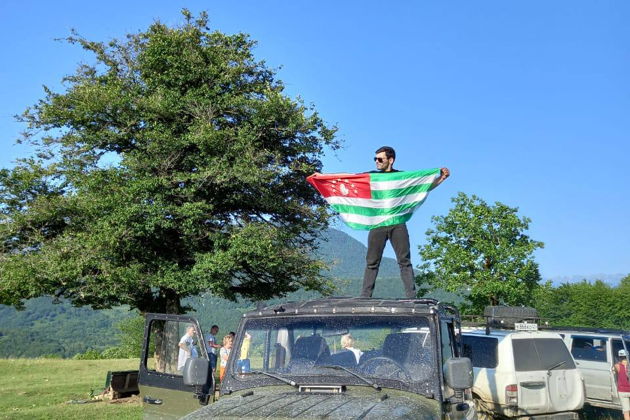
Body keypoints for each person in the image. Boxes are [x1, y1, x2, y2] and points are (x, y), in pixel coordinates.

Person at [360, 146, 449, 299]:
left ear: (391, 160)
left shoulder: (402, 177)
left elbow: (422, 187)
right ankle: (364, 297)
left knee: (404, 261)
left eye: (380, 159)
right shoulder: (371, 177)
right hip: (378, 224)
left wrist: (440, 178)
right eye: (375, 159)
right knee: (372, 262)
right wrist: (321, 177)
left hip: (398, 223)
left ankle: (411, 297)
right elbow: (348, 180)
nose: (376, 162)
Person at [615, 349, 630, 420]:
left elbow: (613, 371)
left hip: (622, 391)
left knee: (626, 411)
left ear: (619, 357)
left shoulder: (617, 366)